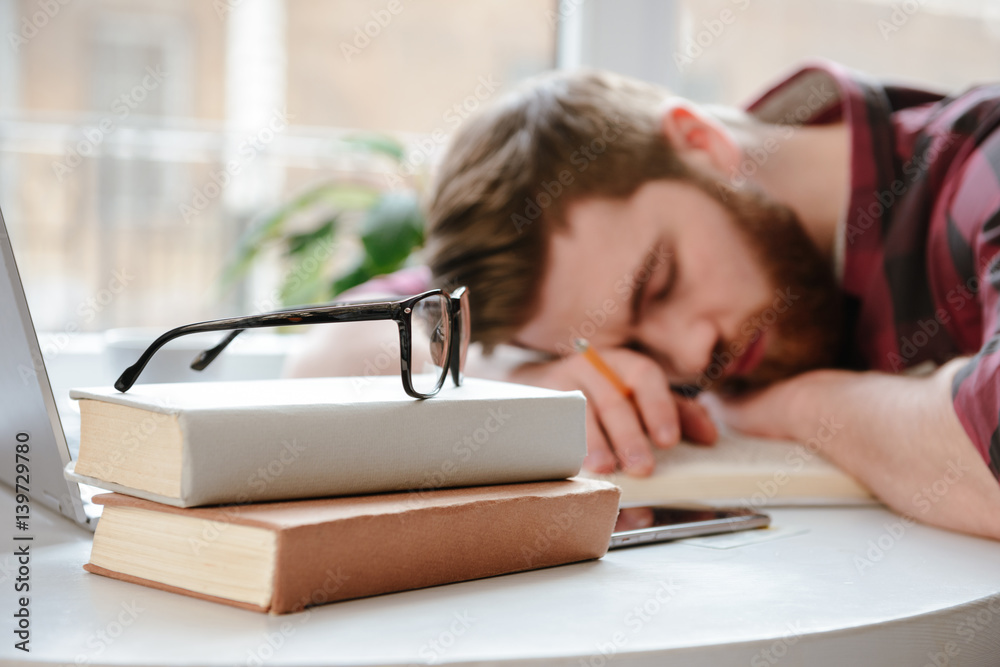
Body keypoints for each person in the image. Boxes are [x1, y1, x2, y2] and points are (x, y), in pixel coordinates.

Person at [285, 60, 1000, 540]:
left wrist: (797, 404)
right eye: (629, 344)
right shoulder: (620, 240)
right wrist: (527, 378)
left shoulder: (981, 171)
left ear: (699, 142)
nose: (691, 356)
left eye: (662, 282)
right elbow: (324, 356)